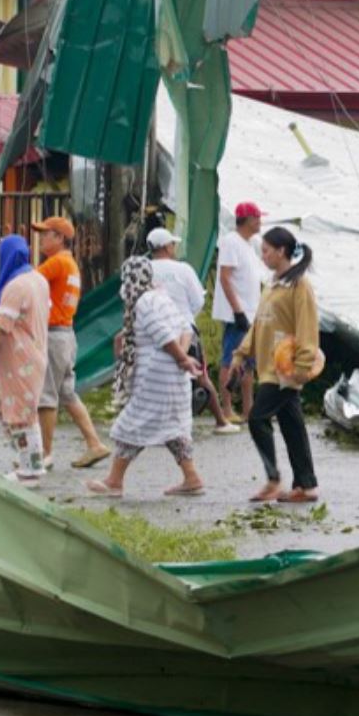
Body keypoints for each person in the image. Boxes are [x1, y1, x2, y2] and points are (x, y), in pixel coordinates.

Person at [86, 257, 207, 498]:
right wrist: (182, 358)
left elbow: (162, 335)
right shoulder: (161, 297)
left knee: (132, 425)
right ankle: (191, 477)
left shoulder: (143, 302)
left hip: (156, 378)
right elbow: (185, 328)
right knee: (173, 429)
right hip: (172, 378)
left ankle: (114, 482)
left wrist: (181, 359)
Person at [234, 226, 323, 504]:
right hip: (269, 366)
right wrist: (241, 353)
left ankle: (273, 479)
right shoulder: (272, 283)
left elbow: (308, 327)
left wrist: (303, 366)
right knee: (291, 426)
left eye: (266, 251)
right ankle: (305, 485)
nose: (263, 256)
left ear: (282, 251)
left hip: (286, 369)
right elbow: (259, 323)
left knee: (257, 417)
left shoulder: (300, 285)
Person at [28, 217, 111, 468]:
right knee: (67, 394)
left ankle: (45, 455)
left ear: (60, 238)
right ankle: (94, 444)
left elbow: (28, 283)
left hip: (53, 336)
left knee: (47, 397)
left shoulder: (56, 264)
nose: (41, 239)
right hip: (66, 335)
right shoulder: (71, 265)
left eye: (46, 234)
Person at [0, 234, 51, 482]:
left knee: (22, 415)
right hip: (28, 357)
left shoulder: (16, 287)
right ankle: (27, 455)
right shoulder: (38, 279)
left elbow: (1, 326)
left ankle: (31, 469)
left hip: (21, 361)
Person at [147, 226, 240, 435]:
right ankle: (221, 421)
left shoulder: (144, 269)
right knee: (200, 375)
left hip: (152, 331)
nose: (174, 247)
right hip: (183, 331)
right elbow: (198, 300)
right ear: (166, 247)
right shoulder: (183, 270)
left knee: (153, 378)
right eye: (173, 244)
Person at [213, 202, 262, 423]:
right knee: (230, 360)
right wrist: (238, 310)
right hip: (237, 313)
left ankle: (248, 408)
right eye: (258, 218)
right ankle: (226, 409)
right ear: (248, 219)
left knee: (248, 362)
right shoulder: (231, 242)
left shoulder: (250, 244)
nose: (260, 222)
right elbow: (225, 276)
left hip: (250, 312)